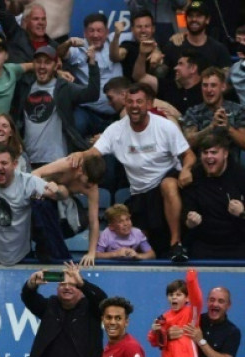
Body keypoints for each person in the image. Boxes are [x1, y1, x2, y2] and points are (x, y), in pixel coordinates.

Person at [68, 83, 196, 261]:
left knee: (168, 184)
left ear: (149, 104)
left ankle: (176, 243)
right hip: (139, 193)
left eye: (139, 101)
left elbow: (189, 155)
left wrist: (187, 169)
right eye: (130, 102)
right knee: (147, 247)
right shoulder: (116, 130)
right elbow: (94, 152)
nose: (134, 106)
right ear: (125, 104)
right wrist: (80, 154)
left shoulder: (165, 126)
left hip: (165, 183)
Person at [22, 262, 106, 357]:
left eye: (73, 285)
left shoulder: (92, 309)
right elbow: (29, 298)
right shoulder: (50, 306)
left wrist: (82, 283)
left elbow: (102, 300)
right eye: (63, 284)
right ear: (57, 288)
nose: (67, 287)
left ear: (81, 290)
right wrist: (31, 285)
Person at [181, 134, 245, 259]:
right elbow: (186, 213)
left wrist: (242, 212)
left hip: (238, 244)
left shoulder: (241, 176)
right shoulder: (194, 177)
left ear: (225, 154)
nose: (209, 156)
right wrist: (190, 222)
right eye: (205, 153)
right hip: (205, 245)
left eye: (214, 152)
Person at [181, 68, 245, 161]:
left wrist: (228, 128)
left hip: (231, 167)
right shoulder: (193, 112)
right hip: (202, 167)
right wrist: (211, 127)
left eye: (213, 85)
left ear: (223, 87)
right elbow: (187, 143)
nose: (208, 90)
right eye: (205, 85)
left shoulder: (238, 110)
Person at [0, 0, 58, 64]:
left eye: (43, 19)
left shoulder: (54, 46)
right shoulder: (16, 35)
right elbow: (2, 11)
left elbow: (65, 69)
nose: (41, 23)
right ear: (26, 21)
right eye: (36, 19)